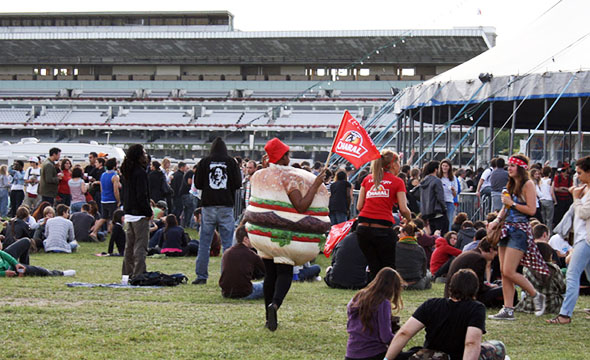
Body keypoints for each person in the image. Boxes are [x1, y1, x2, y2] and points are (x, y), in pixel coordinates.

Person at [244, 138, 330, 331]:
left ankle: (268, 318)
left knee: (269, 275)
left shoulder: (258, 175)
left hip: (261, 235)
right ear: (282, 157)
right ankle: (275, 304)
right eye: (287, 155)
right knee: (284, 271)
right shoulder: (288, 178)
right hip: (283, 236)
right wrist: (316, 184)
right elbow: (301, 205)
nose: (289, 159)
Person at [384, 269, 506, 360]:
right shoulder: (476, 308)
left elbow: (405, 333)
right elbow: (471, 343)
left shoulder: (431, 304)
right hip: (457, 356)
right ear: (475, 289)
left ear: (450, 287)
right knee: (498, 346)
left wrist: (387, 359)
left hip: (431, 355)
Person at [488, 154, 549, 320]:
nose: (509, 168)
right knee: (503, 271)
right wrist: (496, 220)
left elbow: (531, 210)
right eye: (509, 166)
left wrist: (513, 204)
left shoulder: (528, 184)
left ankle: (536, 295)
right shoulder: (510, 183)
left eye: (512, 166)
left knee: (509, 270)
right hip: (505, 228)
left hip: (519, 230)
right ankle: (508, 309)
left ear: (521, 168)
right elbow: (505, 207)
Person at [547, 156, 590, 324]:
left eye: (580, 172)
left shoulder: (582, 193)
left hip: (585, 239)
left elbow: (584, 213)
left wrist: (576, 198)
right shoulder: (583, 189)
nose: (577, 176)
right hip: (581, 238)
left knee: (572, 275)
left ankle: (565, 315)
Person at [356, 150, 411, 280]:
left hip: (363, 229)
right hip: (382, 229)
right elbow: (403, 209)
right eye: (398, 162)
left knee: (374, 267)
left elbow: (359, 206)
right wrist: (410, 219)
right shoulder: (397, 182)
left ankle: (373, 296)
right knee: (388, 268)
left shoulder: (367, 179)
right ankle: (384, 296)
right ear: (393, 164)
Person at [193, 138, 242, 284]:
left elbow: (198, 184)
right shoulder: (231, 162)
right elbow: (238, 183)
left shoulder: (204, 162)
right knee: (228, 244)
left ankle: (201, 276)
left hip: (208, 205)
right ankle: (228, 275)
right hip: (226, 205)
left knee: (204, 243)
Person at [346, 267, 403, 360]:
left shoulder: (358, 296)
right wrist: (399, 341)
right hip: (373, 353)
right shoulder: (383, 302)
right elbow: (385, 336)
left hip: (351, 353)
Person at [120, 144, 153, 278]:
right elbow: (142, 195)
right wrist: (148, 211)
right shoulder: (140, 173)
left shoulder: (127, 171)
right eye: (144, 153)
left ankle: (127, 273)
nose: (145, 156)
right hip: (139, 213)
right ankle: (138, 273)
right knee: (140, 245)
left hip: (129, 212)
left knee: (129, 246)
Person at [444, 240, 505, 308]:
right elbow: (479, 287)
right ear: (491, 250)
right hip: (464, 297)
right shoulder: (479, 259)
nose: (496, 255)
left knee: (498, 284)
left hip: (453, 294)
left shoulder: (471, 254)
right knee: (504, 289)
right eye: (496, 252)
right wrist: (490, 287)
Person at [517, 242, 565, 315]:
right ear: (549, 254)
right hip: (552, 306)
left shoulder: (526, 268)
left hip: (530, 306)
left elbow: (524, 288)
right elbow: (562, 288)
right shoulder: (555, 269)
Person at [218, 224, 265, 299]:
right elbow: (265, 269)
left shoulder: (227, 252)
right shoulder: (251, 254)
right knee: (268, 284)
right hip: (245, 293)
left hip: (226, 292)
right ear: (246, 239)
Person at [0, 238, 75, 277]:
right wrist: (4, 273)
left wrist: (16, 263)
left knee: (26, 241)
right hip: (7, 269)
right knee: (40, 270)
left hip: (7, 259)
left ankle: (24, 266)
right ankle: (60, 273)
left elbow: (2, 253)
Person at [395, 222, 431, 290]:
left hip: (397, 281)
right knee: (428, 273)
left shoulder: (395, 246)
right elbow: (424, 270)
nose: (398, 235)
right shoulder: (419, 249)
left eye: (400, 233)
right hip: (416, 283)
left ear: (405, 233)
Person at [91, 158, 120, 239]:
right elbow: (115, 190)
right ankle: (111, 233)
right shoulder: (115, 176)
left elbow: (101, 188)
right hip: (112, 199)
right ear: (114, 166)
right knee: (113, 218)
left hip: (104, 199)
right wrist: (118, 200)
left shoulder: (103, 175)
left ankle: (94, 232)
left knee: (103, 217)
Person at [419, 160, 448, 235]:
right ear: (436, 169)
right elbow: (440, 197)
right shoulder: (437, 181)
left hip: (427, 212)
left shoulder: (423, 181)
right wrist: (444, 208)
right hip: (437, 211)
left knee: (431, 234)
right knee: (441, 233)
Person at [439, 159, 459, 230]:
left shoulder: (453, 178)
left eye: (446, 166)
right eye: (443, 166)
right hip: (439, 202)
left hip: (449, 201)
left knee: (449, 222)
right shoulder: (438, 177)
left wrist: (453, 190)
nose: (444, 167)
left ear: (449, 167)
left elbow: (455, 194)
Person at [537, 166, 556, 233]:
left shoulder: (540, 180)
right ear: (550, 173)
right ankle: (549, 233)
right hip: (549, 200)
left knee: (543, 218)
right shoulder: (550, 181)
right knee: (549, 219)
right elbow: (551, 192)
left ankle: (542, 232)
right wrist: (555, 201)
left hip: (541, 200)